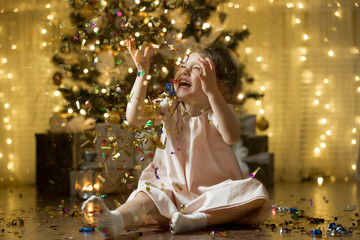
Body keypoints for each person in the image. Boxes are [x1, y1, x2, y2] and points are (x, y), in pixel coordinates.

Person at [81, 39, 270, 238]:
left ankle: (197, 219)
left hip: (213, 194)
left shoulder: (217, 113)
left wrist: (212, 92)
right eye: (182, 66)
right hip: (170, 190)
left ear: (220, 87)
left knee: (253, 190)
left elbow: (231, 136)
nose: (184, 71)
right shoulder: (169, 107)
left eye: (196, 68)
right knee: (146, 195)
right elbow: (134, 117)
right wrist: (142, 73)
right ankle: (115, 220)